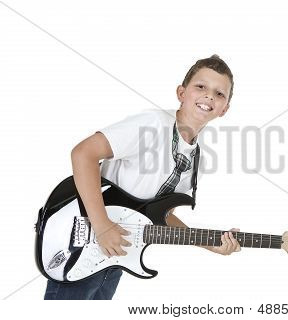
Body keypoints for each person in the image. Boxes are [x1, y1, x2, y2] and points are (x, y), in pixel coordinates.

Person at [44, 54, 240, 300]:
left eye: (219, 94)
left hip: (115, 256)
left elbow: (161, 216)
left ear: (224, 109)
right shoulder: (153, 124)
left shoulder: (193, 154)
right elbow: (83, 154)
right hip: (83, 246)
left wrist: (209, 243)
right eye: (200, 87)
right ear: (181, 93)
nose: (209, 96)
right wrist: (102, 225)